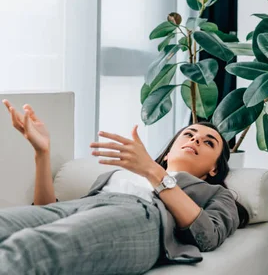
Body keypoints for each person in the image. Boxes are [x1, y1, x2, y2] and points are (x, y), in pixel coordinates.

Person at [0, 99, 249, 275]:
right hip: (87, 206)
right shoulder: (121, 176)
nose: (195, 139)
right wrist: (42, 153)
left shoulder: (216, 194)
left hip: (143, 218)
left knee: (30, 247)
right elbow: (48, 211)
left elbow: (208, 237)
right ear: (171, 148)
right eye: (189, 134)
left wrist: (154, 172)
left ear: (214, 169)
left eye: (208, 142)